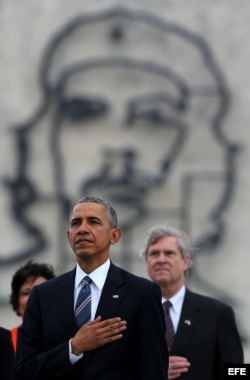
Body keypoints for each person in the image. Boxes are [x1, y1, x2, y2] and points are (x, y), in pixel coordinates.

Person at [13, 196, 168, 380]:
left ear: (114, 235)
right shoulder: (43, 295)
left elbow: (154, 370)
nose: (83, 229)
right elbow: (23, 371)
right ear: (69, 237)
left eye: (93, 222)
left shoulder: (141, 293)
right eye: (76, 223)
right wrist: (73, 348)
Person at [140, 224, 244, 380]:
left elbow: (238, 371)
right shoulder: (129, 314)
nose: (161, 260)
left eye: (169, 253)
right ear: (147, 262)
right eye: (154, 254)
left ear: (185, 262)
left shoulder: (217, 314)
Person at [9, 260, 56, 351]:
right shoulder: (6, 340)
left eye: (41, 291)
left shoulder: (68, 341)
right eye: (27, 293)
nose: (34, 298)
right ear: (16, 301)